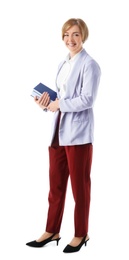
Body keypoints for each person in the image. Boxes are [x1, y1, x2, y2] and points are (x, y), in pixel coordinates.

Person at [26, 18, 101, 253]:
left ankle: (81, 234)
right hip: (58, 132)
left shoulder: (90, 65)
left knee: (80, 188)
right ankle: (52, 230)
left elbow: (87, 99)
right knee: (56, 186)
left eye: (76, 34)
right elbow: (61, 97)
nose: (71, 39)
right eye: (67, 35)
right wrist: (47, 104)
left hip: (78, 136)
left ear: (83, 36)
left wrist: (60, 105)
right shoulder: (62, 63)